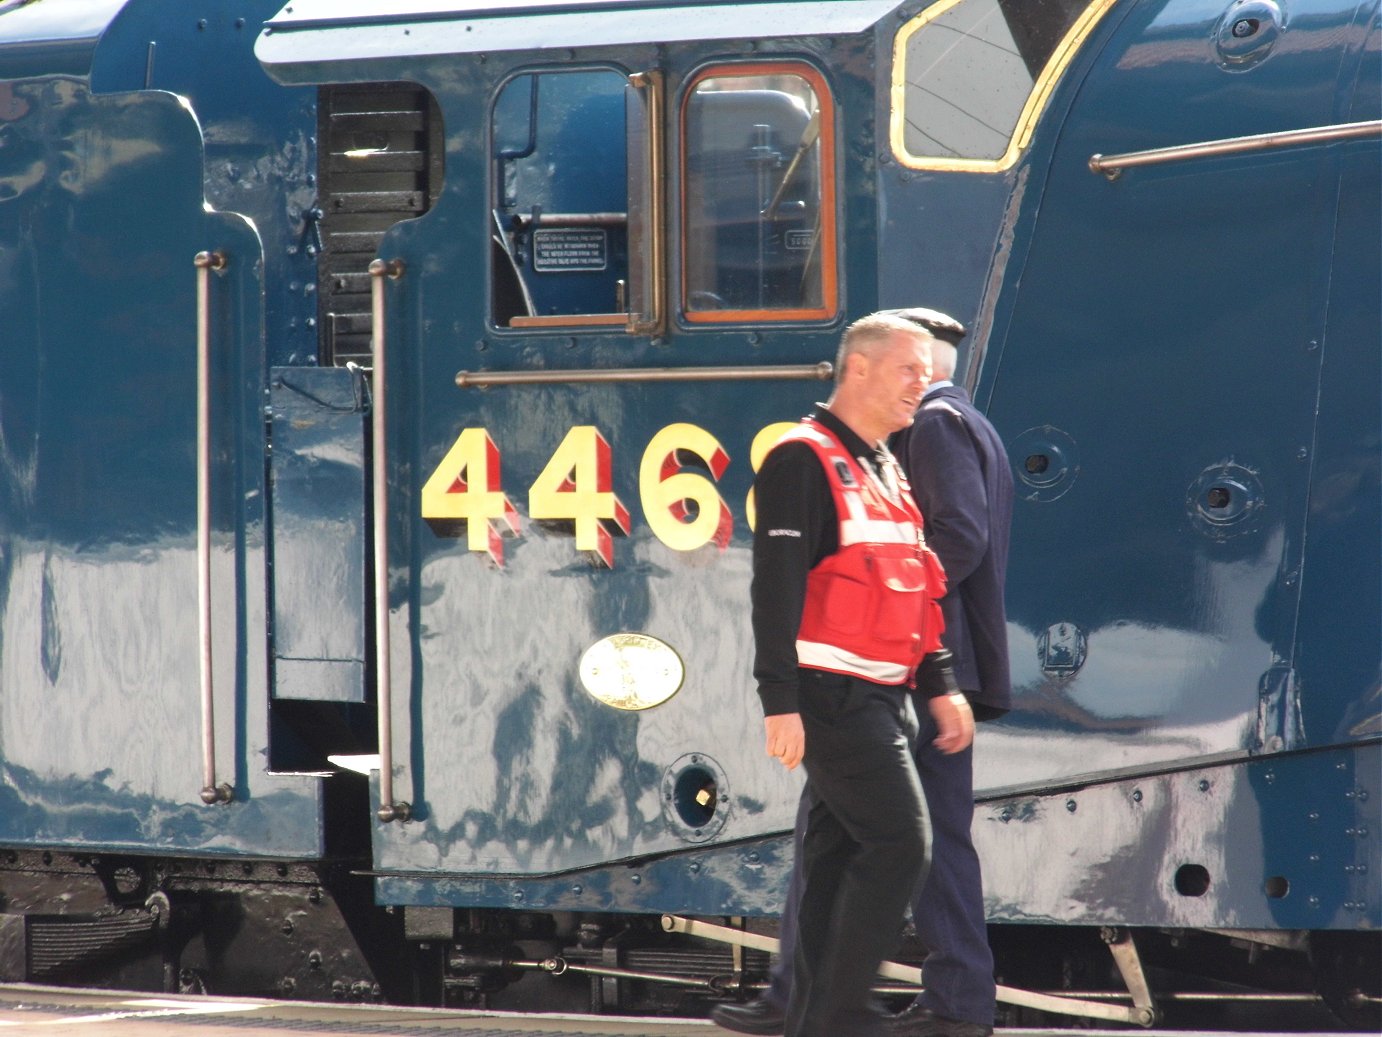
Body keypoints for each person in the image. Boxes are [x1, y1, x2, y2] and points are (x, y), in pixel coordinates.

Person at [712, 308, 1012, 1037]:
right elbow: (776, 587)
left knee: (847, 847)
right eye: (908, 368)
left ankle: (814, 1009)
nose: (924, 381)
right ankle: (833, 1009)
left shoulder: (890, 460)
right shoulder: (809, 456)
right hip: (835, 691)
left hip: (889, 688)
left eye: (926, 367)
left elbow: (915, 575)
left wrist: (938, 682)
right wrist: (779, 700)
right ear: (859, 369)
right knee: (898, 840)